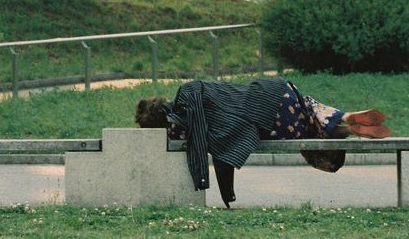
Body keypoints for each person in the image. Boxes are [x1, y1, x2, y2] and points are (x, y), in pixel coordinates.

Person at [135, 78, 390, 206]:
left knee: (313, 148)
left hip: (266, 112)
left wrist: (221, 191)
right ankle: (343, 120)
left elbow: (204, 145)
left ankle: (345, 126)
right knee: (310, 112)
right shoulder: (191, 91)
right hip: (277, 89)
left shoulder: (181, 117)